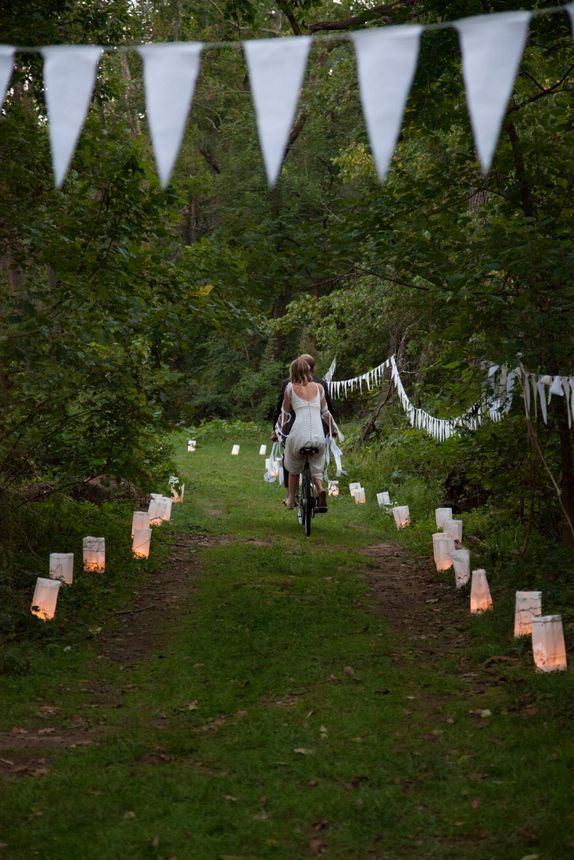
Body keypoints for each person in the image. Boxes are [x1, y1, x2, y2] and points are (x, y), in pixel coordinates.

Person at [277, 357, 337, 511]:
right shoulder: (319, 387)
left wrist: (278, 432)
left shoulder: (290, 388)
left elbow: (284, 414)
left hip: (298, 436)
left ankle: (290, 499)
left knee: (293, 466)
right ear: (309, 370)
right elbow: (325, 412)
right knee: (316, 466)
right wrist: (333, 429)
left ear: (293, 372)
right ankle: (319, 488)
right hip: (318, 436)